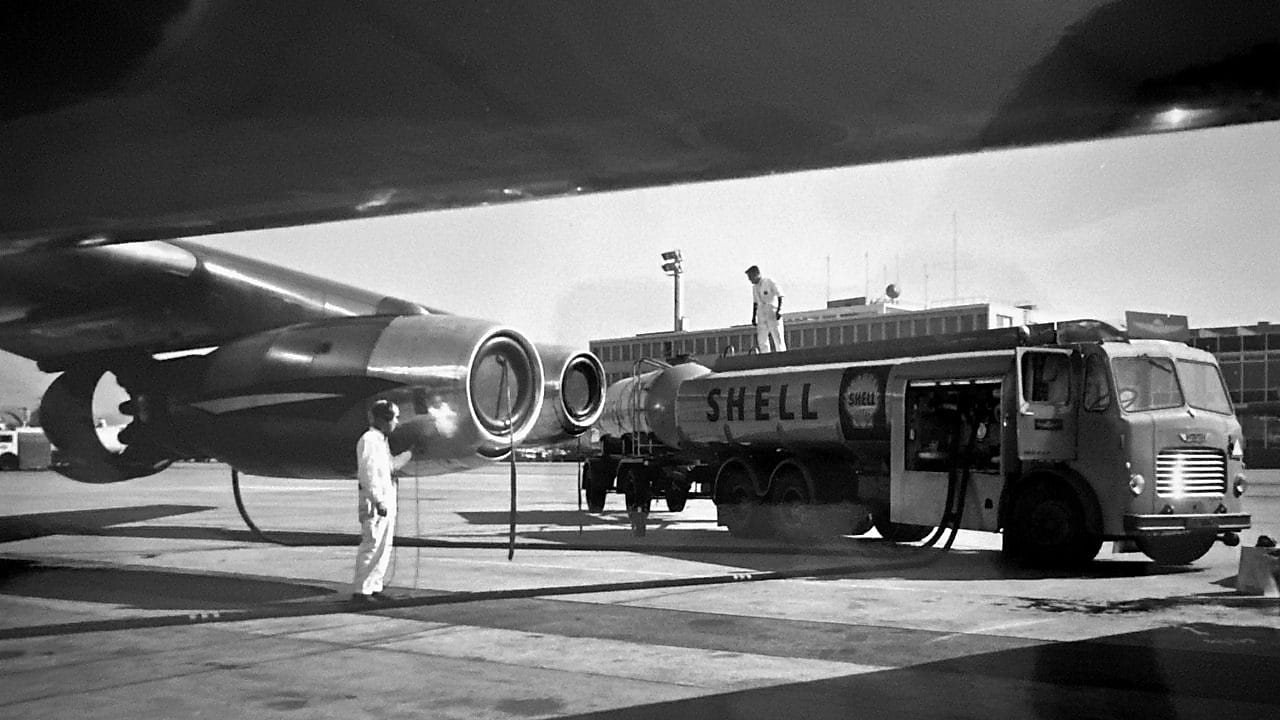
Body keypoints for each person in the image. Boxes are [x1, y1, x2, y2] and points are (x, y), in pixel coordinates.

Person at [351, 398, 412, 603]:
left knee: (384, 547)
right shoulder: (369, 440)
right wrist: (378, 501)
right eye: (394, 419)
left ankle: (374, 585)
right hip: (375, 503)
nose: (396, 423)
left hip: (386, 501)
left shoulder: (381, 441)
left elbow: (391, 466)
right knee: (372, 545)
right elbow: (367, 474)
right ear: (384, 420)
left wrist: (411, 452)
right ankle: (361, 590)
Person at [746, 265, 786, 352]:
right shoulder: (754, 288)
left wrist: (780, 310)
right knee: (762, 339)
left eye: (751, 277)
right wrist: (753, 317)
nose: (750, 280)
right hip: (761, 312)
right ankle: (765, 355)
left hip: (772, 311)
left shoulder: (769, 282)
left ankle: (781, 354)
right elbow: (755, 303)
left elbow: (780, 295)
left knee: (777, 336)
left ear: (757, 274)